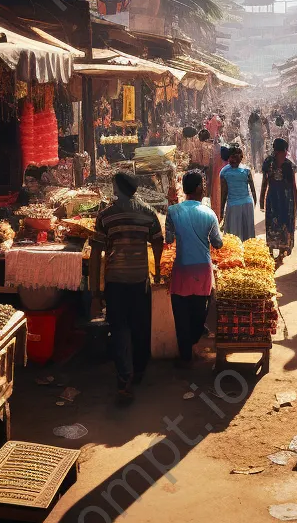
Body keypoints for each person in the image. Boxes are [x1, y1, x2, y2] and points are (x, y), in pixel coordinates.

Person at [94, 173, 164, 403]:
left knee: (120, 328)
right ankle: (139, 370)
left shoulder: (106, 216)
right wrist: (158, 273)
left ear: (117, 188)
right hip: (139, 280)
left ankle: (124, 377)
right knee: (140, 326)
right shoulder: (148, 214)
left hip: (115, 281)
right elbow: (157, 241)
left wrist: (96, 290)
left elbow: (96, 254)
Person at [165, 171, 223, 368]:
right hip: (202, 271)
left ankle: (185, 356)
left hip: (181, 270)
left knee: (181, 315)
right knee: (199, 313)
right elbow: (218, 243)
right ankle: (193, 341)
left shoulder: (172, 212)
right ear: (199, 188)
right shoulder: (210, 213)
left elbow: (169, 240)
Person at [260, 139, 297, 261]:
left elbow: (293, 185)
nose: (286, 152)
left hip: (281, 198)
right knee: (274, 222)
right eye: (285, 150)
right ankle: (273, 249)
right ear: (281, 150)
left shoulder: (273, 162)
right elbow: (264, 182)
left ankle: (281, 250)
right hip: (278, 198)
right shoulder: (275, 163)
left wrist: (296, 202)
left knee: (280, 222)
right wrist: (261, 199)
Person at [220, 146, 258, 241]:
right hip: (240, 205)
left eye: (236, 158)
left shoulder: (224, 172)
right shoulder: (245, 170)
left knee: (234, 236)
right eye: (232, 158)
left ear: (241, 158)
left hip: (238, 205)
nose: (233, 160)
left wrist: (221, 210)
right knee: (246, 234)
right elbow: (252, 190)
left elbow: (224, 194)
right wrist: (255, 201)